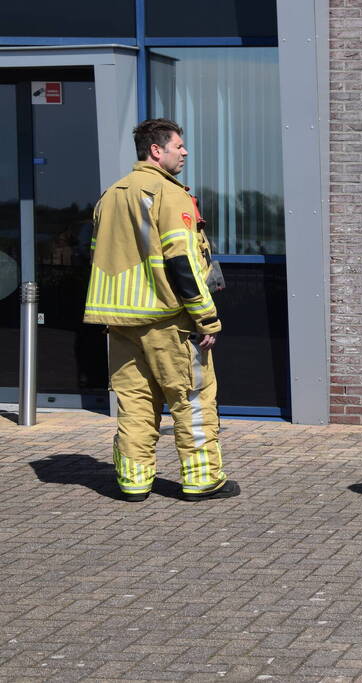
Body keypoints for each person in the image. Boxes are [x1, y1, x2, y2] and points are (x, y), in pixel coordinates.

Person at [84, 118, 239, 502]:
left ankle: (134, 484)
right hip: (169, 322)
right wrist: (207, 317)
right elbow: (183, 261)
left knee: (134, 402)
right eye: (178, 146)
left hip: (119, 322)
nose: (184, 152)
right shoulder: (169, 194)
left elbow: (94, 256)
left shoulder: (110, 195)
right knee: (192, 399)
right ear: (157, 150)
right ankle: (203, 480)